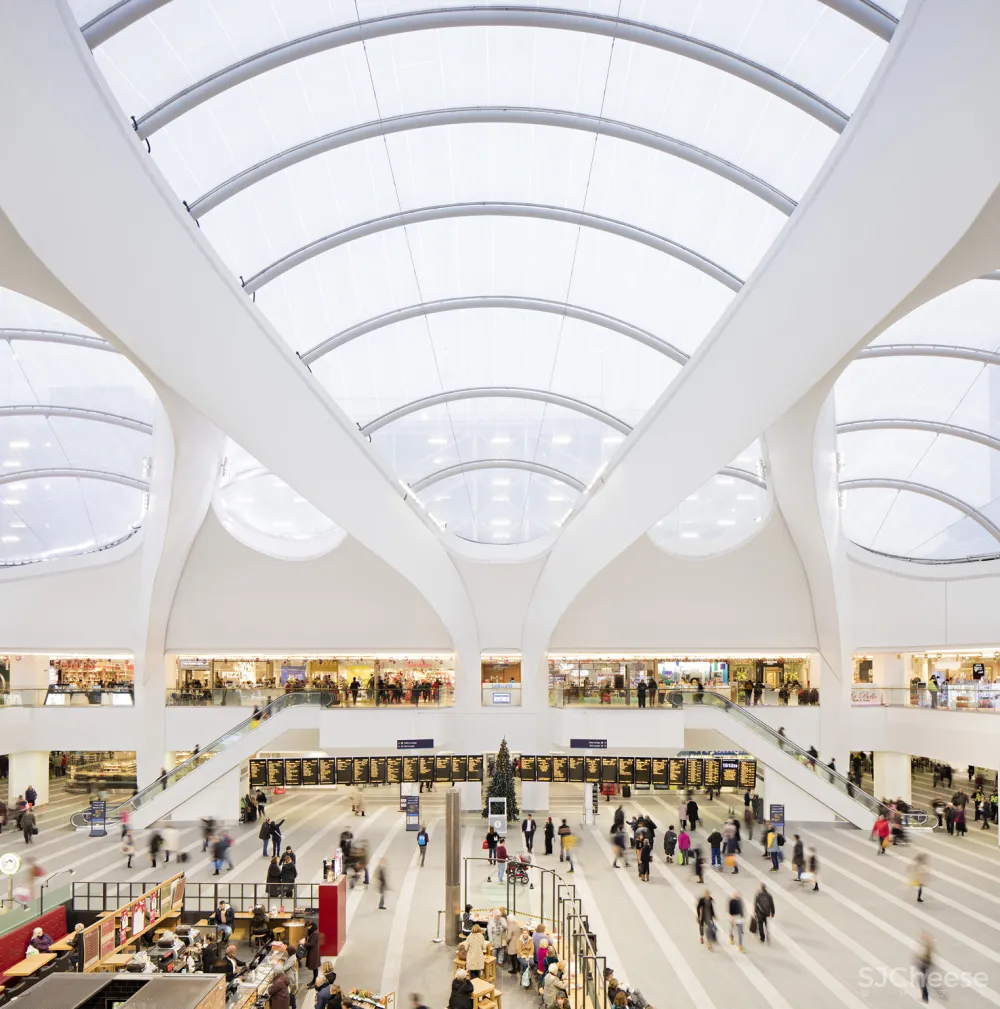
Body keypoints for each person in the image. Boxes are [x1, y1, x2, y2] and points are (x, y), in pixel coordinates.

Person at [915, 934, 934, 1003]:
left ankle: (925, 998)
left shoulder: (928, 947)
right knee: (922, 981)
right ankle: (924, 997)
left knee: (922, 982)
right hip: (925, 964)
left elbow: (924, 956)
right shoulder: (928, 946)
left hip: (924, 964)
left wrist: (919, 957)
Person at [304, 920, 321, 986]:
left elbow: (312, 944)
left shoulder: (314, 933)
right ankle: (314, 981)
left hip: (314, 953)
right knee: (314, 968)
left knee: (315, 968)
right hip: (313, 952)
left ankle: (315, 982)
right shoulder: (313, 931)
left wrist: (304, 943)